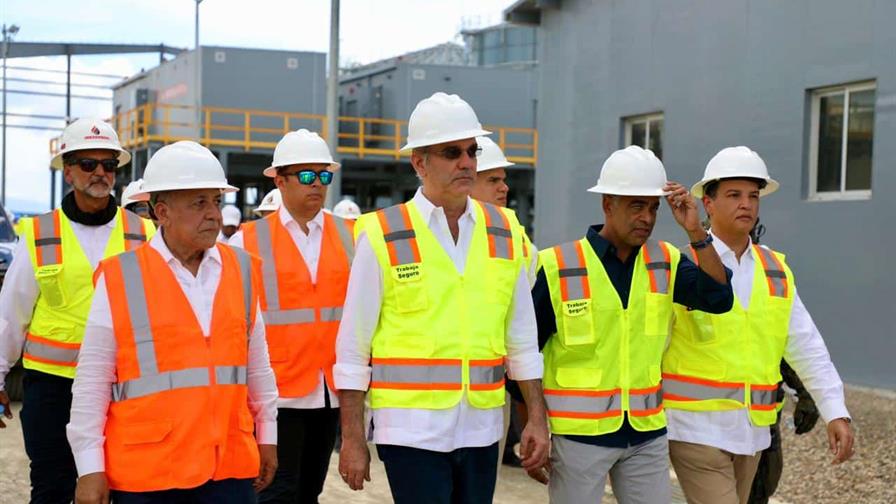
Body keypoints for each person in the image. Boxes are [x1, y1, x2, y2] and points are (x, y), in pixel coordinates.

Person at [335, 92, 549, 503]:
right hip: (409, 431)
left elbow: (522, 338)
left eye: (471, 151)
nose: (466, 162)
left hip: (482, 428)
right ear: (419, 163)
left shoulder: (504, 229)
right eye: (452, 152)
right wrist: (352, 437)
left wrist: (536, 419)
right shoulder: (382, 234)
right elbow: (352, 348)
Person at [67, 141, 279, 504]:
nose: (213, 214)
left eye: (216, 201)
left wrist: (268, 435)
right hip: (148, 474)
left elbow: (258, 367)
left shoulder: (241, 269)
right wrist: (89, 468)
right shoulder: (121, 278)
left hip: (228, 468)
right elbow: (92, 382)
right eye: (199, 203)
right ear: (162, 212)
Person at [533, 145, 733, 503]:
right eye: (636, 206)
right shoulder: (558, 266)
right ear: (608, 205)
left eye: (653, 208)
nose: (647, 217)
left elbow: (719, 298)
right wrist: (533, 423)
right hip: (579, 437)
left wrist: (695, 230)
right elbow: (524, 353)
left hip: (646, 434)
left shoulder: (665, 261)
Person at [664, 146, 854, 504]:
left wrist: (835, 411)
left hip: (753, 433)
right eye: (734, 195)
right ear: (708, 203)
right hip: (694, 431)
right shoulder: (681, 266)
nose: (746, 205)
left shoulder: (775, 270)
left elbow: (806, 345)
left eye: (753, 196)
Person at [0, 118, 154, 504]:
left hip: (121, 387)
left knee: (121, 488)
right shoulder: (39, 234)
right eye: (88, 164)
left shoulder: (144, 234)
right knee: (52, 489)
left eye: (108, 164)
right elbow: (11, 315)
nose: (100, 172)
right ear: (68, 172)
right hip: (52, 389)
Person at [230, 129, 354, 504]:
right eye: (306, 175)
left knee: (310, 492)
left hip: (330, 391)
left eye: (324, 175)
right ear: (280, 181)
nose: (317, 184)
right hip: (276, 395)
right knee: (275, 492)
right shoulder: (246, 241)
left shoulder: (351, 235)